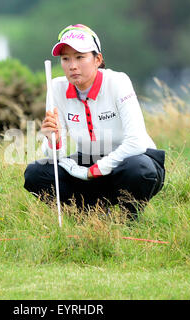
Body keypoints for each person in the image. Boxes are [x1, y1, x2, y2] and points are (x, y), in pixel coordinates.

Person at [24, 24, 165, 220]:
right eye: (66, 59)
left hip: (132, 161)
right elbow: (55, 155)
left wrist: (99, 168)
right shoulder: (56, 87)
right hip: (89, 162)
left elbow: (137, 142)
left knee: (138, 169)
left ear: (98, 59)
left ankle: (130, 219)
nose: (72, 66)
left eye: (80, 57)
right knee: (35, 173)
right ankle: (90, 216)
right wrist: (52, 141)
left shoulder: (118, 82)